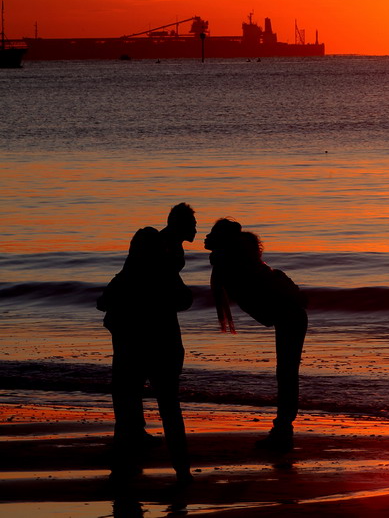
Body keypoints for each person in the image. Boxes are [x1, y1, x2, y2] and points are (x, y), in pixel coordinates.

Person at [97, 203, 196, 482]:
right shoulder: (159, 251)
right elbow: (179, 295)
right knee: (158, 399)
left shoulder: (161, 254)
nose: (196, 229)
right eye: (191, 223)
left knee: (129, 389)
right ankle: (176, 467)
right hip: (152, 334)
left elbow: (113, 292)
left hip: (136, 330)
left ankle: (130, 446)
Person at [205, 218, 308, 452]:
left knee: (286, 373)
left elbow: (266, 279)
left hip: (290, 314)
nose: (206, 237)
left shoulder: (230, 259)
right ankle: (283, 429)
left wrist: (293, 296)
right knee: (286, 373)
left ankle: (283, 431)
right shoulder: (226, 259)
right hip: (287, 313)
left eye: (212, 233)